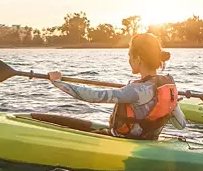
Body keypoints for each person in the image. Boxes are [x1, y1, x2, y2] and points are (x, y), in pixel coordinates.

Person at [47, 33, 186, 140]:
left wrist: (58, 82)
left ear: (138, 58)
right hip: (149, 140)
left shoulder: (135, 91)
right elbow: (181, 125)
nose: (129, 60)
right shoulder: (168, 87)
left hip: (123, 140)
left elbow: (92, 96)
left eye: (130, 56)